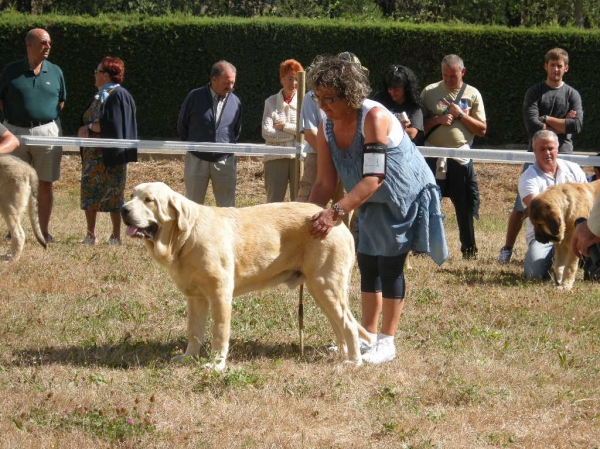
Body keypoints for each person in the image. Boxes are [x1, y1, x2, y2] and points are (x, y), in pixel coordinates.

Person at [308, 55, 448, 364]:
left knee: (389, 266)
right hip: (368, 198)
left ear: (350, 93)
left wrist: (335, 212)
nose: (323, 105)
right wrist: (304, 218)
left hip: (401, 195)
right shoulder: (325, 126)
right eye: (318, 98)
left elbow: (374, 177)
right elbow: (324, 182)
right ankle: (367, 338)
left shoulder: (373, 117)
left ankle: (388, 342)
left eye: (330, 98)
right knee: (368, 263)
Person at [498, 48, 584, 264]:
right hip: (534, 156)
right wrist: (562, 121)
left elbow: (577, 125)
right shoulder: (534, 92)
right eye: (552, 65)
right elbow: (533, 124)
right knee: (522, 207)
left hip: (566, 156)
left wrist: (548, 119)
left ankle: (569, 246)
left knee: (572, 204)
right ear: (546, 66)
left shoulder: (572, 94)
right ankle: (507, 249)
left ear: (566, 68)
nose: (556, 69)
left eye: (560, 65)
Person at [0, 28, 66, 242]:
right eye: (43, 42)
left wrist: (41, 120)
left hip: (47, 131)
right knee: (15, 182)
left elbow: (61, 102)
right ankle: (14, 231)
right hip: (14, 132)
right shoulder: (11, 71)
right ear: (30, 44)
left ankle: (44, 232)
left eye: (49, 43)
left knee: (45, 183)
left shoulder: (56, 71)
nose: (48, 46)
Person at [421, 54, 487, 259]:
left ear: (463, 72)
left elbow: (482, 129)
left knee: (463, 204)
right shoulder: (429, 92)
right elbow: (418, 126)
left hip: (460, 158)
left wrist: (461, 115)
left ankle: (469, 249)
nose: (449, 80)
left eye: (453, 76)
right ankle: (424, 247)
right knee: (428, 202)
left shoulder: (473, 93)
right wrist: (438, 120)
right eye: (445, 75)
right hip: (432, 155)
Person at [77, 57, 137, 245]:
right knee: (89, 192)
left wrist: (90, 128)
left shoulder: (118, 95)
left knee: (115, 194)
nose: (95, 75)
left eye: (97, 72)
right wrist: (85, 127)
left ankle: (116, 235)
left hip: (111, 155)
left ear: (106, 75)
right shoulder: (100, 94)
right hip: (92, 156)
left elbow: (114, 125)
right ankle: (90, 234)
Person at [519, 130, 586, 280]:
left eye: (550, 148)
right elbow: (541, 210)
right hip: (546, 235)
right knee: (534, 274)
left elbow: (587, 204)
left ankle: (580, 257)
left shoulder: (574, 169)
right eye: (542, 149)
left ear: (557, 148)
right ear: (534, 151)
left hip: (577, 232)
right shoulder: (528, 178)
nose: (547, 153)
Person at [178, 60, 242, 207]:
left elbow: (236, 130)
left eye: (233, 83)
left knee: (227, 208)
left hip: (224, 161)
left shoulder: (236, 102)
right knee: (192, 206)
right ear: (214, 79)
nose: (231, 87)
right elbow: (183, 125)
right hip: (196, 160)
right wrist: (195, 146)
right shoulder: (194, 97)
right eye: (227, 82)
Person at [261, 59, 303, 203]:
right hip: (275, 158)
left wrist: (285, 126)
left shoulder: (306, 103)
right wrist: (294, 136)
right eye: (290, 78)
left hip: (299, 159)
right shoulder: (270, 102)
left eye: (297, 79)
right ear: (281, 79)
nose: (294, 83)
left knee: (299, 202)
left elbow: (307, 132)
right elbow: (267, 133)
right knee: (273, 202)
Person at [372, 64, 424, 143]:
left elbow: (411, 134)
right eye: (390, 89)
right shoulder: (379, 100)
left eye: (397, 90)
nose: (392, 92)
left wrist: (384, 129)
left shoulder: (414, 107)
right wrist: (399, 127)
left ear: (406, 88)